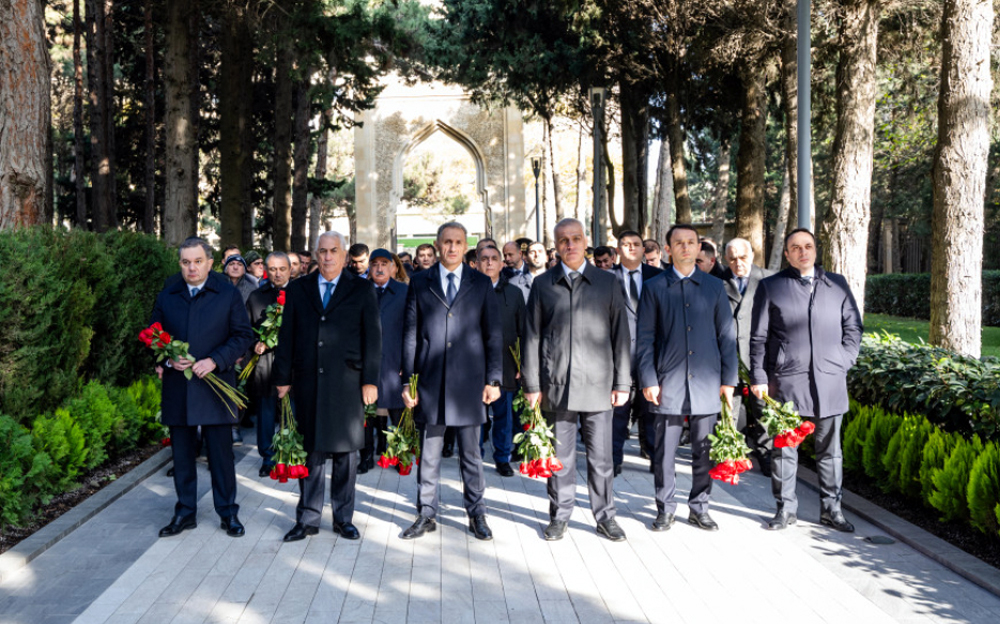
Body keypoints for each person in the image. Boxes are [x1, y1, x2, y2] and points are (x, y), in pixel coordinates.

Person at [523, 218, 631, 542]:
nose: (569, 245)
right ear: (556, 246)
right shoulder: (543, 285)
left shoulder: (607, 282)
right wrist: (531, 385)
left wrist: (622, 383)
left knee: (601, 458)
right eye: (562, 240)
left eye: (575, 238)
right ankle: (559, 516)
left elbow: (621, 335)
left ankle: (605, 516)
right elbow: (530, 338)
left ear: (586, 242)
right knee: (560, 459)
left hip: (599, 385)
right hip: (556, 385)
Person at [750, 228, 863, 533]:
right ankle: (785, 509)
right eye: (795, 248)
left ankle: (832, 510)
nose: (803, 252)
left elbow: (853, 328)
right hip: (788, 384)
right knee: (785, 450)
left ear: (816, 250)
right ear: (787, 254)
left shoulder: (836, 284)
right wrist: (759, 376)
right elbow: (758, 337)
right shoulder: (771, 287)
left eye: (808, 246)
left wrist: (843, 361)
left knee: (830, 452)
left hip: (830, 382)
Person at [273, 231, 381, 542]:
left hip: (348, 383)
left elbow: (373, 339)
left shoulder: (361, 290)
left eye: (334, 251)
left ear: (345, 256)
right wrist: (283, 378)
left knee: (346, 454)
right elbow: (287, 337)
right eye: (322, 251)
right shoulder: (298, 289)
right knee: (311, 452)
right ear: (316, 254)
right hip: (307, 381)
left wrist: (370, 380)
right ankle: (308, 518)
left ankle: (343, 518)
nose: (328, 257)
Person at [401, 221, 503, 541]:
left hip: (470, 384)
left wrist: (494, 379)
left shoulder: (480, 283)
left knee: (471, 455)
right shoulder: (420, 282)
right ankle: (426, 513)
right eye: (447, 242)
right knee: (429, 455)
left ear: (465, 245)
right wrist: (408, 382)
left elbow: (493, 335)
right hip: (430, 382)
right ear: (437, 244)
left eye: (458, 242)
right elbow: (410, 336)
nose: (453, 248)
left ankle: (477, 514)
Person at [636, 224, 738, 532]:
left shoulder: (714, 287)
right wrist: (648, 378)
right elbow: (644, 338)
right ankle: (665, 508)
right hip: (668, 381)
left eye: (691, 242)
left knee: (703, 449)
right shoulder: (654, 287)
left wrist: (729, 380)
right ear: (668, 249)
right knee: (664, 451)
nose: (685, 247)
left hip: (707, 382)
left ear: (698, 248)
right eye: (678, 243)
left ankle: (700, 507)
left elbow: (727, 336)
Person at [151, 237, 255, 539]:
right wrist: (169, 359)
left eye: (197, 261)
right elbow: (153, 333)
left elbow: (242, 335)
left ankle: (228, 512)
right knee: (182, 456)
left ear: (210, 262)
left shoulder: (226, 292)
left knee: (221, 456)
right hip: (178, 387)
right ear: (180, 263)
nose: (191, 268)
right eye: (185, 262)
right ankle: (185, 512)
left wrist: (215, 360)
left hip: (216, 386)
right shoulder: (169, 291)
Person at [721, 238, 775, 476]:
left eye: (742, 257)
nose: (738, 263)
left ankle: (766, 456)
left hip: (760, 359)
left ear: (752, 255)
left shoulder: (770, 280)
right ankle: (731, 458)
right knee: (728, 410)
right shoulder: (717, 283)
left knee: (763, 409)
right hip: (729, 359)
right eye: (732, 258)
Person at [611, 231, 662, 476]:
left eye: (636, 244)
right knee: (616, 413)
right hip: (617, 357)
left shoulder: (660, 277)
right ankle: (613, 459)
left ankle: (655, 458)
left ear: (644, 249)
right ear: (617, 250)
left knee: (651, 411)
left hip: (652, 357)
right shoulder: (606, 279)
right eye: (625, 244)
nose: (631, 248)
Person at [476, 244, 526, 477]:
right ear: (476, 263)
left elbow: (523, 331)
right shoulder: (468, 291)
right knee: (476, 416)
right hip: (474, 367)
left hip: (506, 366)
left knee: (504, 417)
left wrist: (521, 364)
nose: (489, 263)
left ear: (501, 263)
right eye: (484, 259)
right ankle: (474, 456)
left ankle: (502, 457)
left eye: (494, 258)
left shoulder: (514, 293)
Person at [245, 252, 292, 477]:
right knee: (265, 411)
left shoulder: (301, 293)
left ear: (290, 269)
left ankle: (292, 451)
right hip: (266, 362)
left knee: (293, 409)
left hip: (294, 361)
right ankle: (268, 456)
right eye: (272, 269)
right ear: (266, 270)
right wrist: (255, 343)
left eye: (282, 268)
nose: (277, 273)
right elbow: (244, 330)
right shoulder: (256, 297)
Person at [362, 248, 408, 473]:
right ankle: (366, 455)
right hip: (367, 362)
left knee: (397, 411)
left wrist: (407, 365)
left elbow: (412, 331)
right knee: (366, 413)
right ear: (369, 267)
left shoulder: (404, 291)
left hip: (394, 361)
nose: (379, 268)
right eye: (375, 263)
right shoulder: (360, 291)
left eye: (384, 263)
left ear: (393, 267)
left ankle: (400, 455)